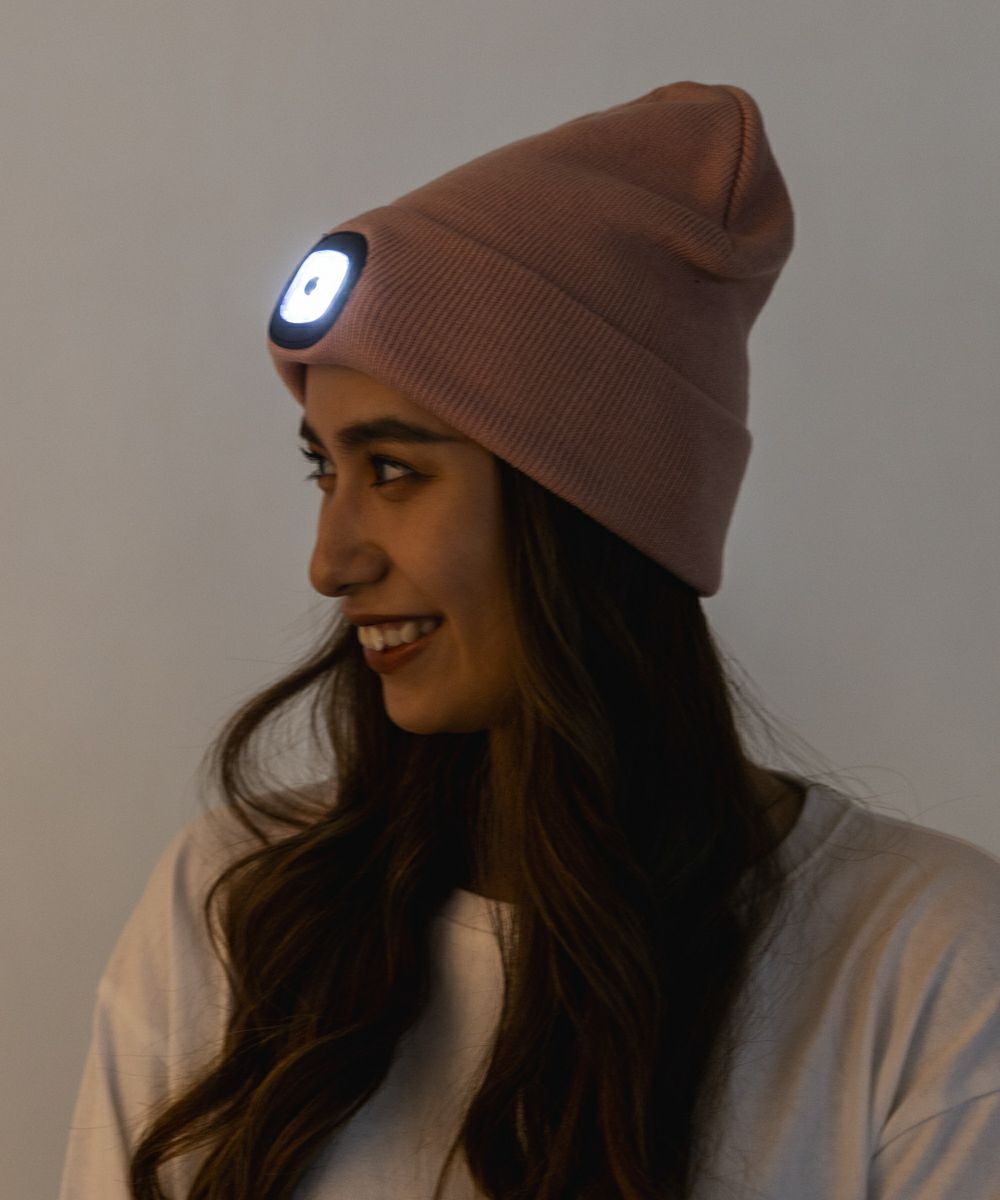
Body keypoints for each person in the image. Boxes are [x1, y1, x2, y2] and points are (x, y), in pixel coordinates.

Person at [58, 81, 1000, 1200]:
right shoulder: (231, 909)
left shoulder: (927, 963)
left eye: (393, 471)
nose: (331, 560)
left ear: (590, 509)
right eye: (325, 469)